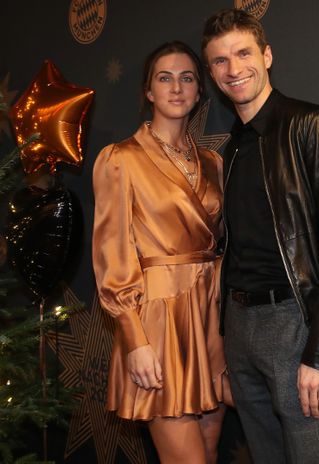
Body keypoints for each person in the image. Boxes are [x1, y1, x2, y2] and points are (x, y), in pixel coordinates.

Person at [202, 9, 319, 463]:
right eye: (220, 61)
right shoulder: (231, 148)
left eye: (243, 53)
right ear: (212, 71)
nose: (234, 69)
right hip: (239, 327)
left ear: (267, 55)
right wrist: (224, 339)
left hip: (294, 321)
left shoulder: (309, 124)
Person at [91, 41, 229, 464]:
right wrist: (135, 339)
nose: (176, 87)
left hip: (210, 318)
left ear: (199, 91)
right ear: (148, 91)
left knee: (208, 452)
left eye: (187, 78)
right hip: (158, 321)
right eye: (164, 78)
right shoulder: (120, 159)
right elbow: (112, 253)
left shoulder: (213, 162)